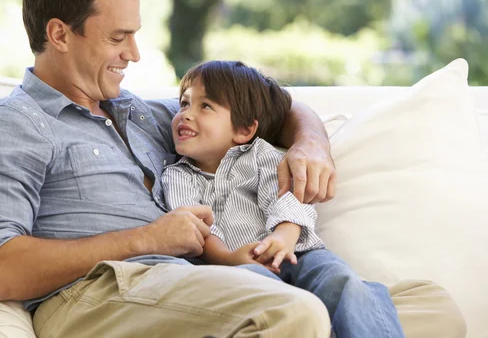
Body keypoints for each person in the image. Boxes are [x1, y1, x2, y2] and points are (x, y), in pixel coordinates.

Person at [0, 0, 466, 338]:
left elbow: (276, 108)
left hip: (189, 283)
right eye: (116, 38)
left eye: (134, 35)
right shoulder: (12, 124)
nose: (133, 53)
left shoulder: (141, 114)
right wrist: (146, 239)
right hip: (101, 292)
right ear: (59, 34)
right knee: (292, 311)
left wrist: (311, 145)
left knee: (432, 307)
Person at [161, 60, 405, 338]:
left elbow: (288, 197)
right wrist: (229, 258)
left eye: (205, 106)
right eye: (183, 104)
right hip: (231, 267)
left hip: (297, 253)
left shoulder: (262, 156)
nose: (185, 115)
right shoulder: (176, 175)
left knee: (341, 279)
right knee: (265, 292)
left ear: (244, 130)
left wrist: (283, 238)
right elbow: (196, 228)